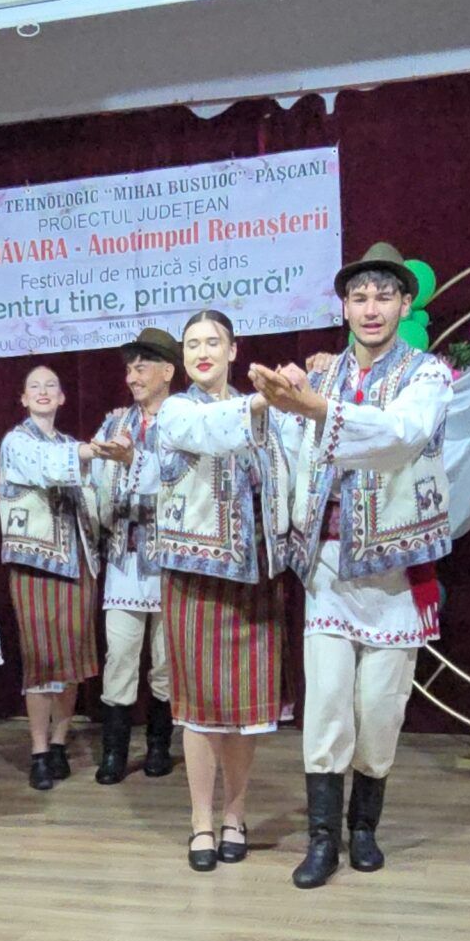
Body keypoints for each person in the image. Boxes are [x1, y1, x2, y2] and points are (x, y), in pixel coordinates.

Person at [250, 243, 455, 889]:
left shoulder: (428, 375)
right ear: (343, 306)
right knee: (328, 704)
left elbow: (401, 433)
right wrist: (274, 410)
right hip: (330, 567)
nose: (371, 309)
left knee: (381, 707)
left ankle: (364, 826)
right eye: (359, 297)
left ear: (405, 304)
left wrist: (317, 409)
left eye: (384, 297)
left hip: (394, 571)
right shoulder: (322, 374)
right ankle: (323, 838)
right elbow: (290, 451)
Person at [152, 311, 293, 871]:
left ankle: (236, 813)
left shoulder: (267, 414)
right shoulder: (176, 410)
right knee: (202, 709)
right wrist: (261, 402)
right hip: (197, 577)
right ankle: (201, 822)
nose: (202, 352)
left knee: (246, 710)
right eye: (192, 344)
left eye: (213, 342)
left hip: (257, 574)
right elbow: (206, 430)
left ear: (234, 350)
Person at [0, 364, 104, 789]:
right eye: (34, 387)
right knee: (41, 661)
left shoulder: (71, 445)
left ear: (61, 398)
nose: (43, 392)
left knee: (72, 659)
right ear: (23, 398)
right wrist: (91, 453)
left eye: (51, 386)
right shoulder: (16, 441)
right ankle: (39, 749)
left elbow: (94, 493)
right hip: (35, 562)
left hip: (76, 561)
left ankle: (59, 741)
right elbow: (47, 466)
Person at [87, 328, 180, 785]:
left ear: (168, 371)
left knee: (165, 661)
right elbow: (94, 481)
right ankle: (114, 752)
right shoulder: (115, 424)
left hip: (169, 560)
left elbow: (184, 481)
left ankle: (160, 745)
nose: (133, 377)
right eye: (129, 369)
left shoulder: (183, 420)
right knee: (120, 656)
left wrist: (133, 465)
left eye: (142, 367)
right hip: (125, 558)